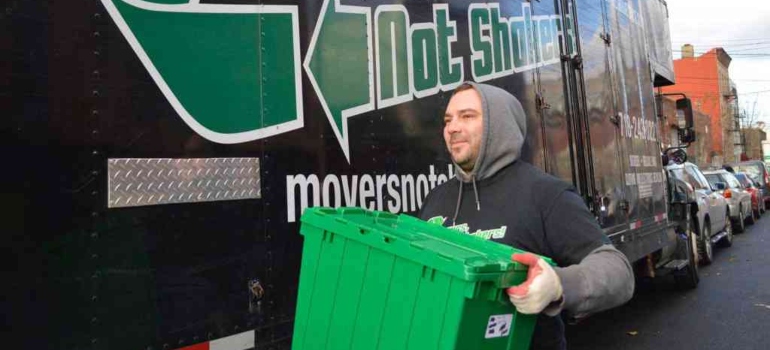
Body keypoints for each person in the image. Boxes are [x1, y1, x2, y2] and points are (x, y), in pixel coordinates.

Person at [419, 82, 634, 350]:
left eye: (468, 116)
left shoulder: (545, 194)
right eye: (448, 120)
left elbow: (619, 271)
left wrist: (558, 285)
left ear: (499, 125)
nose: (452, 128)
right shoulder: (436, 199)